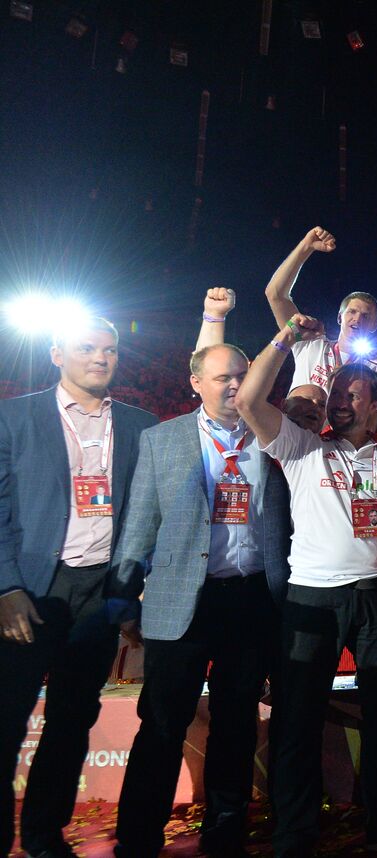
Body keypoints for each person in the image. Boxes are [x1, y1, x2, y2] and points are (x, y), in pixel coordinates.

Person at [236, 313, 377, 855]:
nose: (341, 400)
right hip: (312, 598)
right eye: (337, 392)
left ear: (374, 402)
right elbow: (250, 402)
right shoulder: (302, 448)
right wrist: (282, 340)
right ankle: (294, 833)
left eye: (353, 393)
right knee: (297, 719)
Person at [111, 340, 291, 858]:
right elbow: (140, 523)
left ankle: (224, 835)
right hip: (178, 601)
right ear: (196, 383)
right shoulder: (161, 440)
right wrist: (122, 599)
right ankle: (137, 839)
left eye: (242, 375)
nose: (235, 385)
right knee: (163, 724)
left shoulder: (271, 435)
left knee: (236, 725)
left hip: (252, 600)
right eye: (222, 378)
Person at [0, 317, 157, 858]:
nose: (100, 358)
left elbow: (147, 514)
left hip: (101, 590)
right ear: (56, 354)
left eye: (109, 350)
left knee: (72, 719)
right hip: (30, 591)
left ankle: (45, 837)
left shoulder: (140, 425)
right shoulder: (13, 416)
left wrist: (132, 590)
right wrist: (5, 588)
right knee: (6, 718)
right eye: (87, 348)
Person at [263, 226, 377, 401]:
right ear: (340, 317)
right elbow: (276, 294)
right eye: (352, 312)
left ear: (374, 325)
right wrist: (305, 247)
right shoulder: (312, 345)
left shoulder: (376, 367)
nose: (357, 318)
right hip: (297, 427)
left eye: (366, 316)